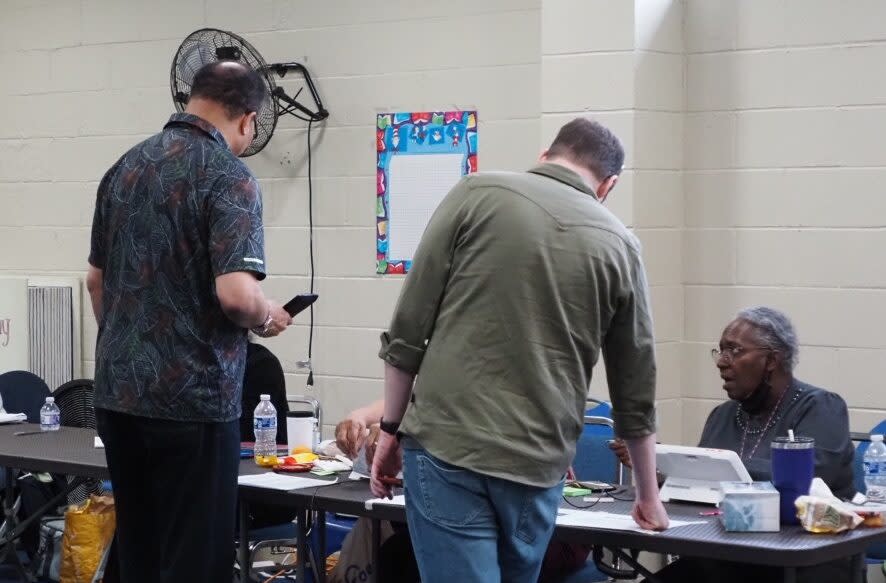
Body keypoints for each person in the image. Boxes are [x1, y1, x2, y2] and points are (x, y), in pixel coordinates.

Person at [370, 118, 669, 583]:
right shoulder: (622, 245)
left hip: (450, 445)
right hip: (538, 463)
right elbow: (636, 386)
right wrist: (647, 496)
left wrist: (390, 429)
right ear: (608, 185)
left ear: (545, 156)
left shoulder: (475, 193)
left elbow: (409, 330)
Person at [86, 60, 292, 583]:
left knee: (140, 555)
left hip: (118, 397)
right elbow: (236, 295)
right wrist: (268, 315)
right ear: (247, 119)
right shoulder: (229, 176)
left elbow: (95, 280)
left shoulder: (124, 167)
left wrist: (124, 348)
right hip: (192, 404)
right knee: (194, 562)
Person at [611, 306, 858, 583]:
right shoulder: (723, 415)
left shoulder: (820, 407)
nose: (722, 362)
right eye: (720, 351)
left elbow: (813, 478)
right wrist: (661, 468)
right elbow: (703, 490)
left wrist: (723, 468)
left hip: (803, 563)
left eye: (735, 351)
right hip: (728, 557)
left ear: (772, 360)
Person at [335, 401, 596, 583]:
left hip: (542, 529)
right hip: (491, 513)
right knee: (398, 553)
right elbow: (417, 393)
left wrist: (396, 430)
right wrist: (374, 421)